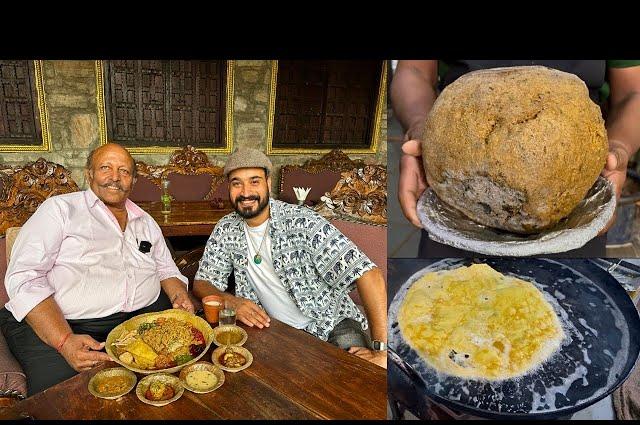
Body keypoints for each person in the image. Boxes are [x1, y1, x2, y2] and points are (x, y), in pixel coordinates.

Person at [391, 60, 640, 257]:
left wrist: (618, 146)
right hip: (456, 180)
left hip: (574, 198)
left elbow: (633, 91)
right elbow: (413, 69)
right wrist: (420, 127)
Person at [0, 143, 193, 396]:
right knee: (68, 399)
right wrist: (64, 341)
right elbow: (25, 278)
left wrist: (179, 296)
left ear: (133, 180)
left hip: (136, 323)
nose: (115, 177)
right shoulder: (60, 210)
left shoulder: (146, 222)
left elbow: (166, 269)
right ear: (89, 173)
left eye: (124, 171)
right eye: (106, 168)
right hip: (64, 325)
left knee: (175, 384)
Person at [193, 148, 387, 368]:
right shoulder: (226, 229)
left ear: (268, 182)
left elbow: (369, 274)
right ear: (229, 187)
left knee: (358, 379)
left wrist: (382, 352)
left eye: (254, 181)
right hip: (273, 329)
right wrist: (231, 300)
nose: (246, 192)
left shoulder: (302, 222)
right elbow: (202, 282)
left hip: (332, 323)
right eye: (237, 183)